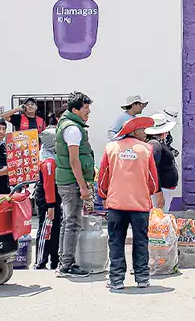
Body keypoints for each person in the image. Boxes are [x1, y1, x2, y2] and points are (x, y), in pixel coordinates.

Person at [96, 116, 159, 290]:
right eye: (142, 130)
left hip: (116, 204)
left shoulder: (110, 148)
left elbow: (103, 178)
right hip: (140, 204)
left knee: (116, 241)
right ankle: (142, 277)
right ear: (134, 131)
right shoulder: (147, 150)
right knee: (141, 242)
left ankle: (116, 280)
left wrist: (104, 195)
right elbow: (153, 181)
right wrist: (145, 192)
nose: (145, 133)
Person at [55, 91, 95, 278]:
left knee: (67, 222)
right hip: (72, 182)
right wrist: (83, 187)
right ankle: (67, 265)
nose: (89, 112)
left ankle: (63, 261)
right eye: (86, 108)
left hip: (68, 180)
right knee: (72, 223)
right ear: (75, 110)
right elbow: (74, 160)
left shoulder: (68, 124)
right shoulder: (73, 129)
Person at [34, 126, 62, 270]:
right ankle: (41, 261)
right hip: (47, 198)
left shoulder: (49, 154)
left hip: (52, 196)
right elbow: (48, 185)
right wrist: (50, 206)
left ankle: (55, 260)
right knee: (46, 228)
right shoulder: (48, 161)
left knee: (56, 228)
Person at [145, 113, 179, 211]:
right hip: (161, 189)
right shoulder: (155, 145)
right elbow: (153, 169)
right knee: (159, 215)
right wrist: (158, 192)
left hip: (164, 187)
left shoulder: (157, 143)